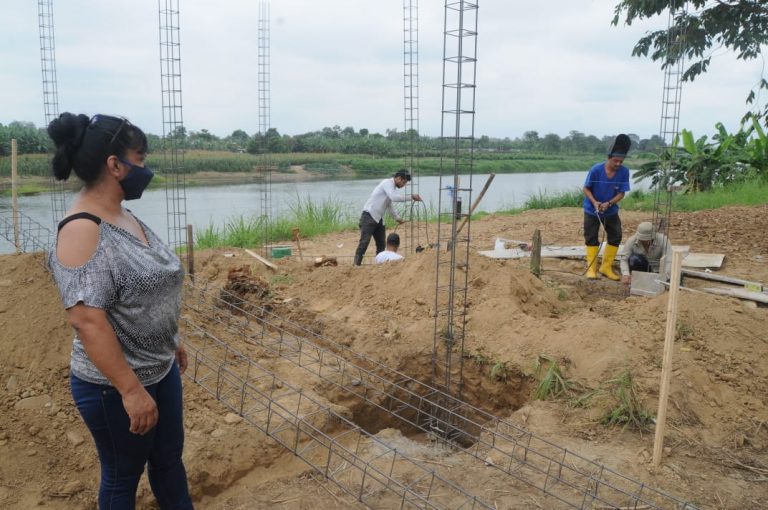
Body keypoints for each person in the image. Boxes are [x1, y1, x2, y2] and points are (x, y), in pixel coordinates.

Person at [47, 113, 193, 509]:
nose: (145, 168)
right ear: (115, 165)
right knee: (122, 478)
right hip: (113, 388)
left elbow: (146, 287)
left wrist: (171, 339)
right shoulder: (82, 229)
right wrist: (130, 389)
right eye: (140, 158)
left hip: (159, 369)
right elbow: (86, 319)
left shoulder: (124, 214)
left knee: (167, 463)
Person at [582, 134, 632, 280]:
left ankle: (606, 267)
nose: (618, 164)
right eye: (615, 161)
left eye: (621, 161)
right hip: (592, 210)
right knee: (591, 237)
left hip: (610, 210)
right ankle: (592, 269)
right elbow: (586, 189)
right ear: (608, 158)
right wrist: (595, 202)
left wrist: (609, 203)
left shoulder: (624, 171)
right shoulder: (596, 169)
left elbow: (622, 193)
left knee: (615, 236)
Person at [354, 169, 422, 265]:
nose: (403, 185)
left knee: (381, 245)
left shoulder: (392, 188)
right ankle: (356, 265)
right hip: (369, 216)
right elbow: (394, 197)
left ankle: (381, 266)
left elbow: (389, 205)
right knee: (364, 242)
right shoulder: (387, 183)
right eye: (403, 182)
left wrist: (397, 218)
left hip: (379, 219)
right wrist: (411, 197)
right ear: (398, 178)